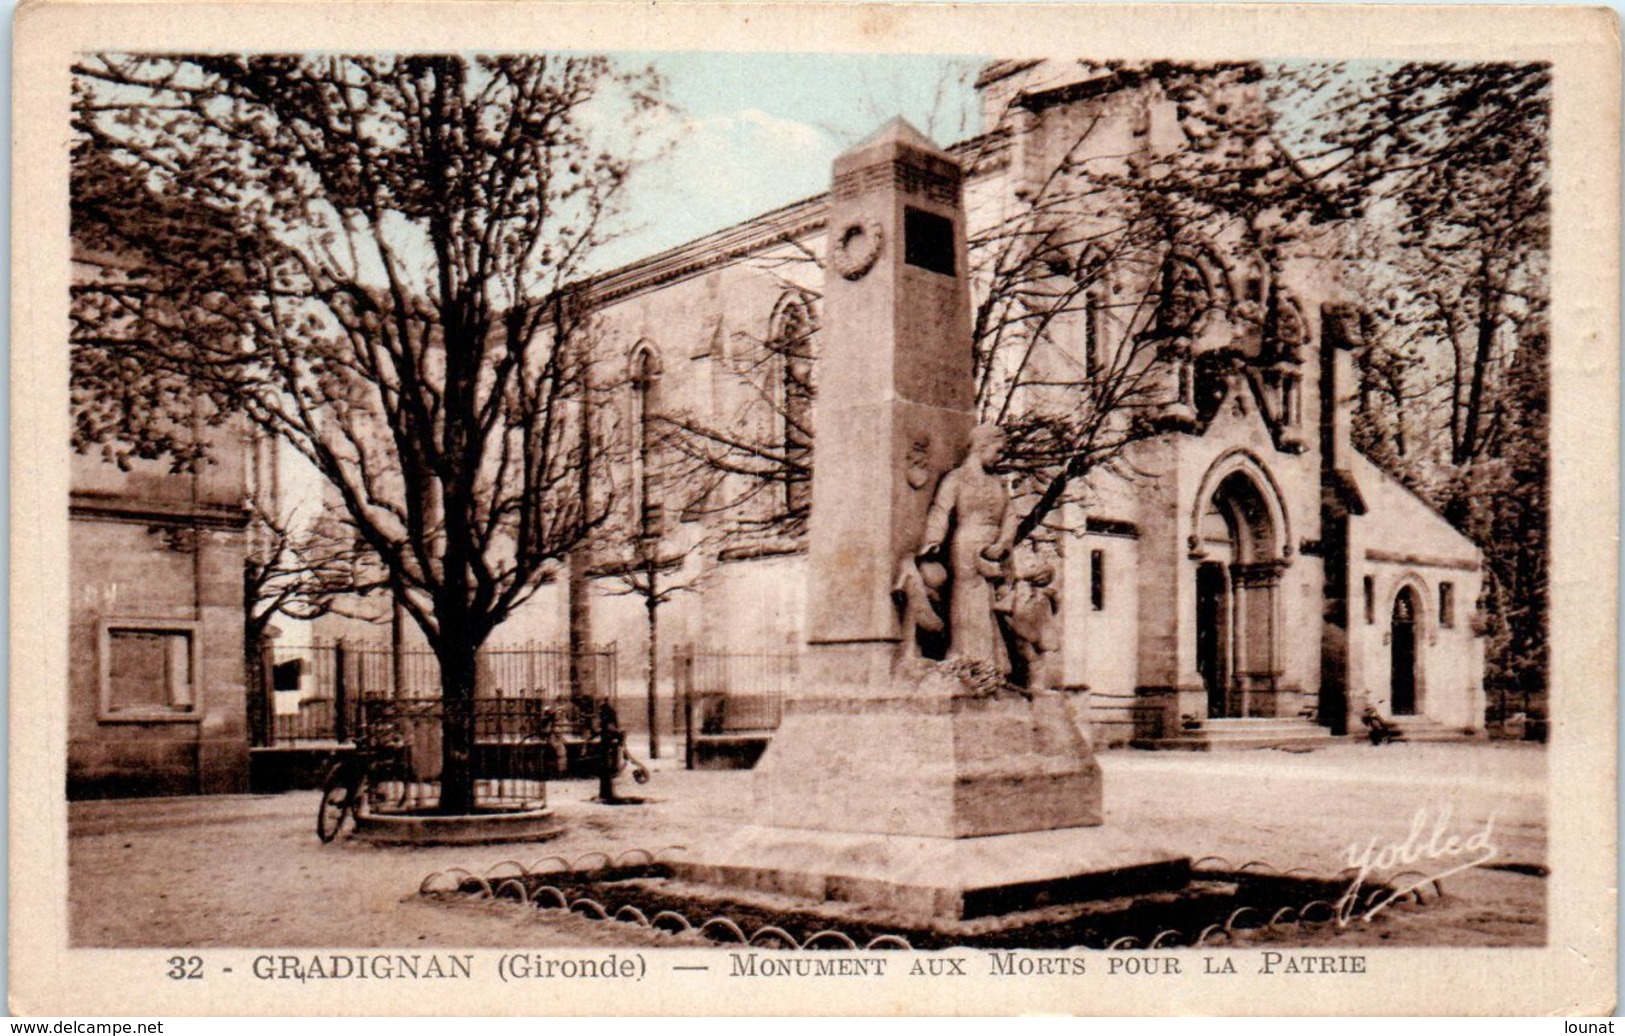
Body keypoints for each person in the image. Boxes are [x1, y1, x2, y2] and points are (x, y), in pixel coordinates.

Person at [919, 424, 1021, 673]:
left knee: (990, 605)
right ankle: (965, 659)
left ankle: (990, 666)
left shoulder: (999, 483)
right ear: (982, 446)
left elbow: (1011, 516)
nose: (1000, 457)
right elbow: (941, 511)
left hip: (994, 551)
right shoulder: (957, 478)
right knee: (967, 601)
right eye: (998, 451)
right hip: (965, 548)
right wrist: (932, 543)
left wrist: (1003, 544)